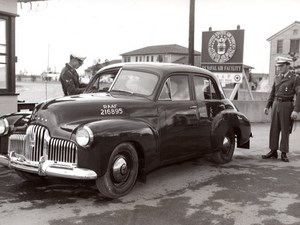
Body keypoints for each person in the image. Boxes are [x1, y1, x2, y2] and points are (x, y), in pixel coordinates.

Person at [262, 56, 300, 162]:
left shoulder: (295, 78)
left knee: (285, 129)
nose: (280, 68)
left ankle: (283, 152)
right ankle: (273, 151)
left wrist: (296, 110)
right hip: (275, 104)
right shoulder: (277, 77)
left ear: (288, 65)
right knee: (274, 129)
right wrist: (267, 106)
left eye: (282, 66)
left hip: (287, 105)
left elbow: (299, 95)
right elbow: (272, 93)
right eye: (278, 66)